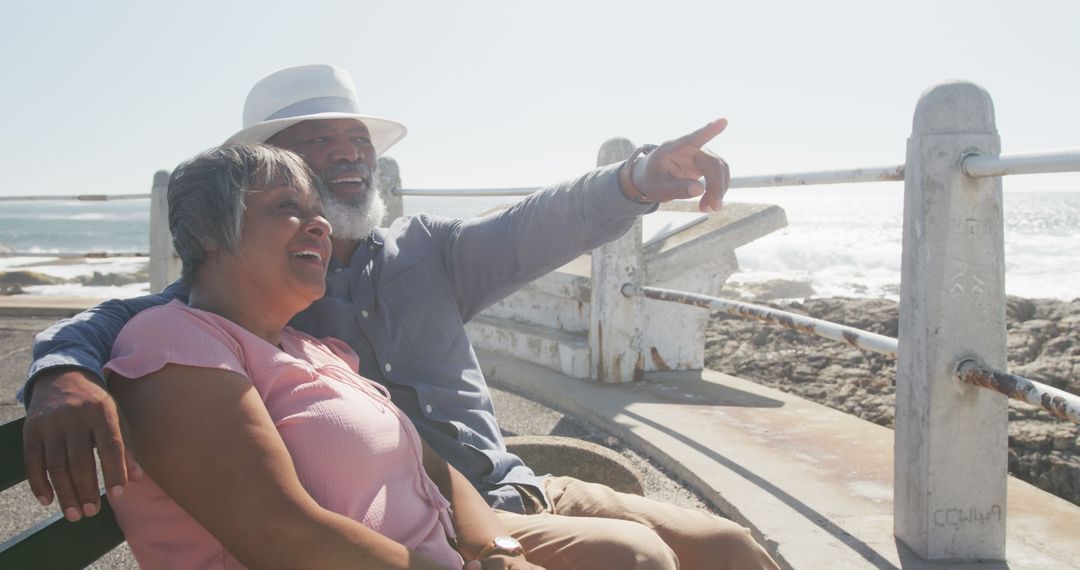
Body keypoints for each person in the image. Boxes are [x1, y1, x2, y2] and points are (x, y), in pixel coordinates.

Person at [21, 64, 778, 569]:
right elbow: (137, 320)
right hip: (425, 534)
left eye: (357, 141)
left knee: (731, 545)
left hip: (509, 488)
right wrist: (59, 366)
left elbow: (545, 221)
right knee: (639, 556)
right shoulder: (240, 301)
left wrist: (641, 177)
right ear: (261, 177)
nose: (349, 156)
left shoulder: (428, 253)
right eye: (317, 145)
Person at [103, 143, 542, 569]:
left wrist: (497, 552)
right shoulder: (170, 343)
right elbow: (283, 538)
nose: (321, 225)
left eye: (319, 210)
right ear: (207, 231)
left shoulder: (313, 349)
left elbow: (433, 467)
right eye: (286, 206)